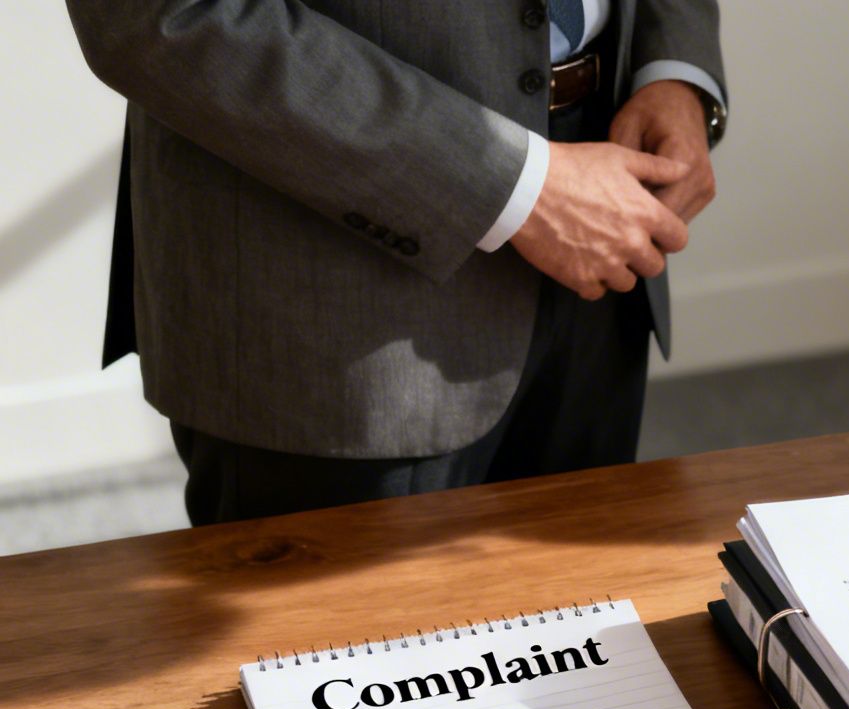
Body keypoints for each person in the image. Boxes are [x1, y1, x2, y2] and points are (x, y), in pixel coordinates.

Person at [67, 0, 728, 524]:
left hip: (610, 219)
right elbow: (158, 16)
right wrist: (512, 185)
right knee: (340, 670)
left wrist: (673, 69)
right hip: (328, 299)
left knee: (590, 661)